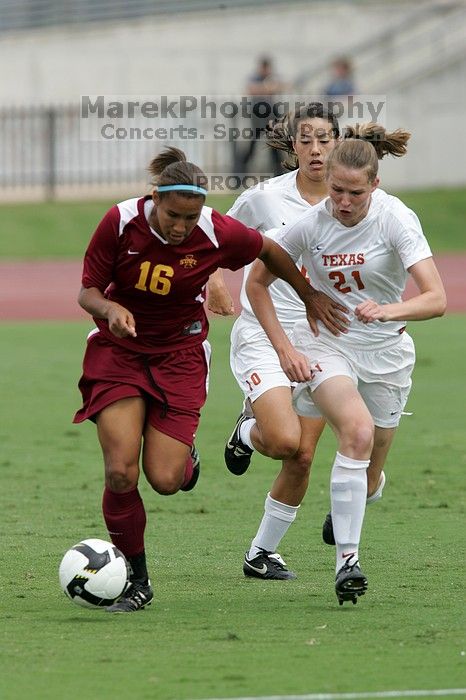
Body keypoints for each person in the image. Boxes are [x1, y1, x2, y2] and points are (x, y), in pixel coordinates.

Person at [72, 146, 346, 613]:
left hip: (180, 355)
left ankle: (184, 457)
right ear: (154, 198)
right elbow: (88, 291)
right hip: (120, 352)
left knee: (164, 479)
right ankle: (138, 580)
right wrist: (110, 309)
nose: (181, 227)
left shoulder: (216, 230)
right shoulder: (119, 222)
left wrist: (308, 295)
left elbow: (269, 251)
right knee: (120, 472)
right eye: (173, 215)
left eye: (191, 216)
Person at [246, 127, 447, 604]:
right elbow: (257, 284)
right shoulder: (309, 224)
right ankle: (348, 564)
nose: (343, 202)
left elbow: (436, 299)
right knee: (352, 433)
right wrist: (284, 349)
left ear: (374, 186)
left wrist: (388, 310)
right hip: (327, 346)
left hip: (387, 353)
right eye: (336, 190)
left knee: (370, 474)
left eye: (355, 193)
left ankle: (355, 497)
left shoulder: (396, 218)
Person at [223, 103, 348, 581]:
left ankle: (261, 554)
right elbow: (217, 236)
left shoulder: (353, 201)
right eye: (306, 140)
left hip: (320, 338)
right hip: (263, 329)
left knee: (302, 454)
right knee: (280, 439)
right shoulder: (265, 198)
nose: (316, 150)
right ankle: (246, 431)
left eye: (324, 139)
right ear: (292, 146)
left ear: (337, 142)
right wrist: (214, 278)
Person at [233, 55, 289, 178]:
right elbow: (251, 89)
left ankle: (279, 175)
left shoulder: (273, 77)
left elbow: (283, 86)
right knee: (252, 146)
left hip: (271, 114)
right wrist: (267, 88)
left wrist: (268, 87)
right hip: (258, 114)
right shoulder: (254, 77)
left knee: (275, 146)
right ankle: (239, 176)